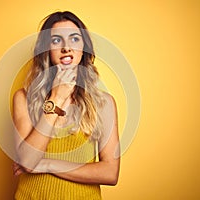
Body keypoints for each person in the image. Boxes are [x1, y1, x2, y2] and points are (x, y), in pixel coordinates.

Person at [12, 11, 120, 199]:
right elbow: (28, 161)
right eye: (56, 41)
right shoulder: (23, 98)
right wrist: (57, 97)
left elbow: (110, 172)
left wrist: (46, 164)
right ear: (46, 49)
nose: (66, 48)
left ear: (83, 48)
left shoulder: (104, 103)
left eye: (74, 39)